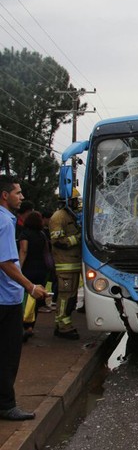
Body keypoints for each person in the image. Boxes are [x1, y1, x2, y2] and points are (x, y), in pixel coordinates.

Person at [0, 175, 48, 421]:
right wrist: (31, 287)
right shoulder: (6, 222)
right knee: (8, 354)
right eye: (17, 193)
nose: (22, 197)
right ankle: (6, 405)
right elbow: (6, 262)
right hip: (6, 299)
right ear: (4, 195)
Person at [50, 188, 82, 340]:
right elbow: (58, 241)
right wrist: (78, 238)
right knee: (65, 297)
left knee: (71, 297)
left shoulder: (72, 216)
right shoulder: (59, 217)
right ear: (67, 201)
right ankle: (63, 327)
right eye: (75, 200)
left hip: (73, 264)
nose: (77, 203)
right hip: (65, 265)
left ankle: (62, 324)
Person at [18, 211, 52, 341]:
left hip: (28, 269)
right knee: (36, 299)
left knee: (25, 298)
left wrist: (19, 268)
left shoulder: (24, 234)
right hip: (41, 269)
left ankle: (23, 326)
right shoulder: (42, 235)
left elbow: (24, 250)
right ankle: (31, 326)